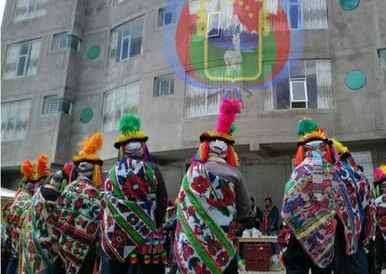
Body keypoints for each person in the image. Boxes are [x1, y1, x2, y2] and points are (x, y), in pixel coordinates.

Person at [174, 97, 251, 273]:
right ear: (229, 151)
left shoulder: (191, 172)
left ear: (205, 148)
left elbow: (182, 202)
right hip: (222, 241)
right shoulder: (235, 174)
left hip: (193, 241)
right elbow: (245, 208)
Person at [101, 114, 168, 274]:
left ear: (123, 149)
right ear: (143, 147)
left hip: (119, 233)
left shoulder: (112, 172)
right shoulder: (152, 169)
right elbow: (163, 199)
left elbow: (107, 202)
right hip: (148, 233)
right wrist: (154, 223)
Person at [281, 118, 343, 273]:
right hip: (325, 236)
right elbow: (338, 202)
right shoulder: (332, 172)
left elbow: (286, 209)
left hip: (300, 234)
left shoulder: (299, 172)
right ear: (324, 149)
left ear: (304, 150)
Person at [56, 133, 105, 274]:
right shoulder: (94, 194)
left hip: (64, 242)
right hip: (85, 248)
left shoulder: (68, 188)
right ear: (95, 171)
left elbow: (58, 212)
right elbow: (99, 220)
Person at [19, 161, 73, 274]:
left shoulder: (37, 193)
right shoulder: (54, 196)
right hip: (44, 246)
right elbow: (59, 220)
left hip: (30, 241)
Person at [331, 139, 376, 274]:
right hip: (360, 221)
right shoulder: (359, 174)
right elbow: (370, 200)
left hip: (342, 223)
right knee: (359, 255)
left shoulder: (335, 172)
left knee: (343, 259)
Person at [5, 155, 51, 274]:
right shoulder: (28, 200)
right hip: (20, 234)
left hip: (14, 233)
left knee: (14, 259)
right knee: (16, 259)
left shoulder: (19, 197)